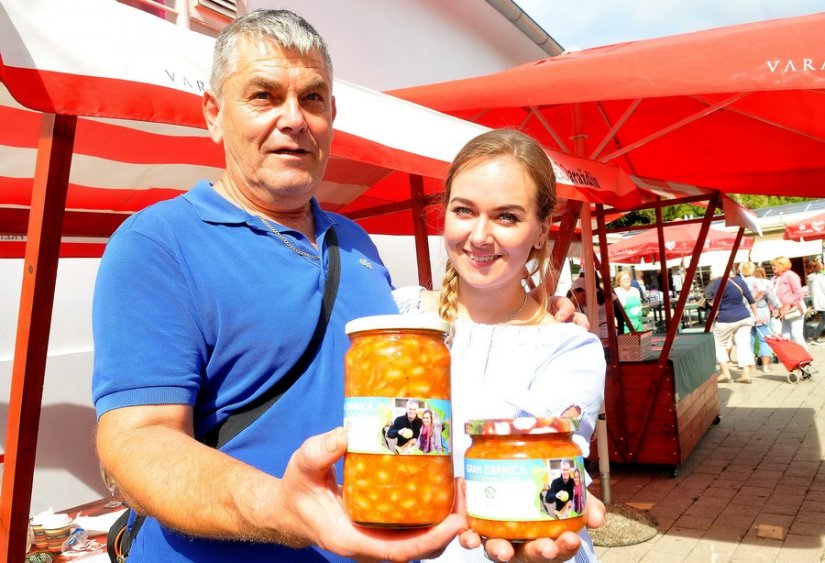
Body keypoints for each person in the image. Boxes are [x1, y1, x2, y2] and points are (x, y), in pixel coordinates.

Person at [91, 10, 585, 563]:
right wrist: (280, 506)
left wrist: (536, 319)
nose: (293, 119)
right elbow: (136, 444)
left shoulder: (355, 243)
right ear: (213, 113)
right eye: (263, 96)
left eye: (313, 99)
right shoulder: (160, 243)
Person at [395, 128, 607, 562]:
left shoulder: (568, 347)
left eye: (506, 216)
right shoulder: (398, 317)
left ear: (542, 229)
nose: (479, 235)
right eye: (464, 210)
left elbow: (550, 473)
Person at [708, 264, 758, 384]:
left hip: (726, 319)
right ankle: (746, 374)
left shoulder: (717, 283)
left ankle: (726, 373)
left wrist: (710, 323)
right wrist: (756, 315)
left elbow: (717, 306)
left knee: (718, 344)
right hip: (744, 317)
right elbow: (750, 299)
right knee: (743, 345)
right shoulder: (739, 280)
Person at [740, 262, 777, 372]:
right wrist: (778, 308)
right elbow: (773, 298)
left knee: (748, 340)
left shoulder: (739, 283)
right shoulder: (764, 282)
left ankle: (751, 366)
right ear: (753, 270)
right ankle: (765, 365)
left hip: (745, 313)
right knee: (764, 339)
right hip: (763, 312)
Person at [771, 256, 808, 348]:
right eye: (772, 265)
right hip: (782, 310)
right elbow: (772, 295)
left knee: (796, 334)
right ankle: (793, 357)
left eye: (775, 265)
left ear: (782, 265)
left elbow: (798, 293)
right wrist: (773, 308)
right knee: (785, 336)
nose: (773, 267)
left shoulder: (791, 275)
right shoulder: (775, 278)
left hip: (794, 308)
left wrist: (788, 305)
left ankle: (804, 357)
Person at [806, 259, 825, 344]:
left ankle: (815, 337)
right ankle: (815, 337)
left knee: (823, 320)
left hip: (818, 303)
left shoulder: (811, 279)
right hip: (823, 302)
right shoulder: (821, 278)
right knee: (824, 321)